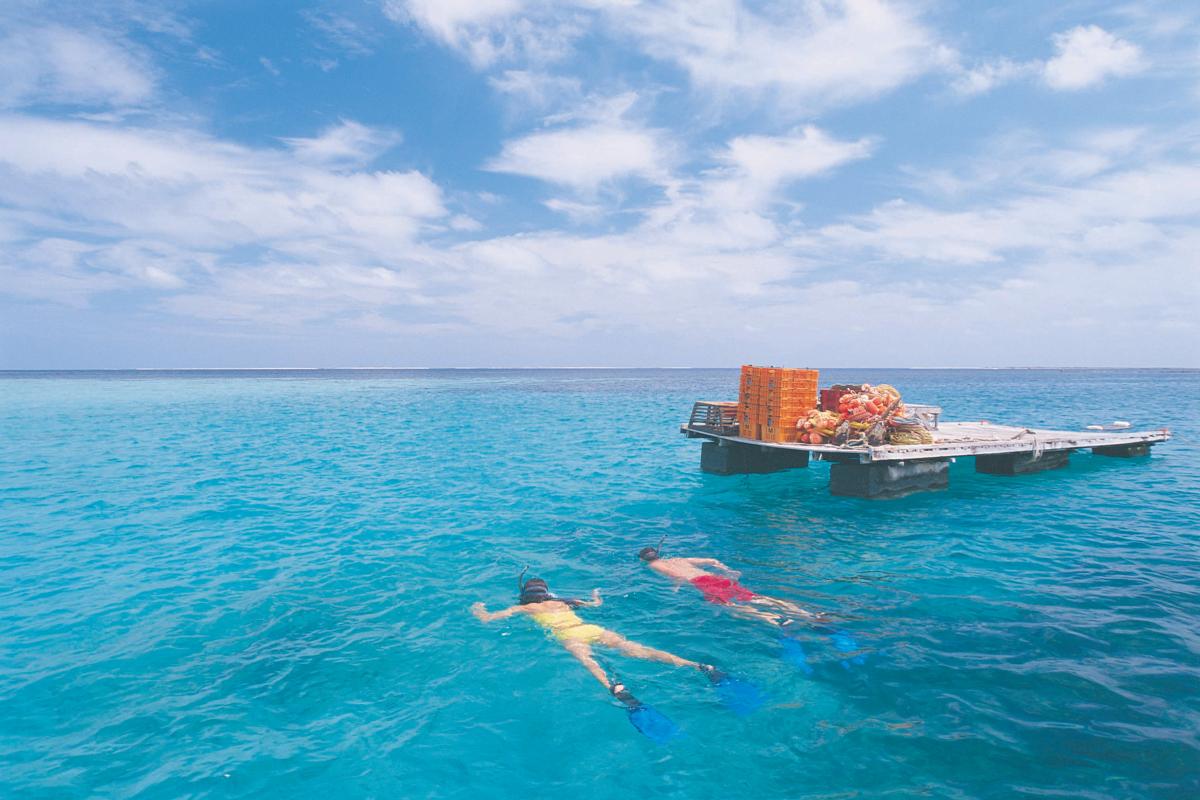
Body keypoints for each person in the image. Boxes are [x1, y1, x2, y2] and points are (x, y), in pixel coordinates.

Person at [471, 572, 720, 707]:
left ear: (526, 595)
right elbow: (595, 604)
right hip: (589, 628)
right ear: (546, 592)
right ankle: (696, 665)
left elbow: (489, 619)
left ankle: (616, 689)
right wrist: (595, 594)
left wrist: (478, 608)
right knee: (636, 649)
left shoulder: (525, 609)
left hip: (568, 636)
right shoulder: (562, 601)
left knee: (591, 664)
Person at [637, 543, 824, 629]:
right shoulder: (679, 558)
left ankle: (775, 619)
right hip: (717, 577)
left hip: (704, 584)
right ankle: (806, 614)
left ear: (644, 560)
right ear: (658, 552)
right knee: (757, 597)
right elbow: (711, 560)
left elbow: (678, 576)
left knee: (731, 608)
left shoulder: (654, 565)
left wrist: (676, 586)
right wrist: (727, 570)